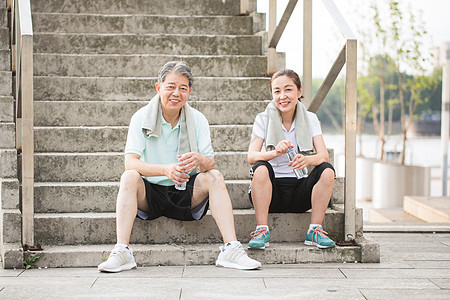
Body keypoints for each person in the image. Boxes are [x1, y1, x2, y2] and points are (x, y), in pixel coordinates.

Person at [98, 61, 261, 272]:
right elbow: (131, 162)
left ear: (189, 92)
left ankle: (231, 249)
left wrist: (199, 160)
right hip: (151, 193)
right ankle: (122, 251)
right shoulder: (140, 117)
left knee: (215, 176)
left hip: (186, 191)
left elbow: (209, 162)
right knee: (129, 176)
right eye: (171, 87)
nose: (176, 93)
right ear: (159, 88)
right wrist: (165, 170)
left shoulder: (198, 119)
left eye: (183, 88)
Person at [247, 69, 336, 250]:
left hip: (299, 191)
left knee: (327, 169)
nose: (282, 96)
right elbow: (251, 156)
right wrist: (274, 153)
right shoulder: (263, 119)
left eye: (288, 90)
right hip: (270, 193)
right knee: (261, 166)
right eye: (277, 91)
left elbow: (323, 155)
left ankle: (315, 231)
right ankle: (261, 230)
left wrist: (307, 160)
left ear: (299, 91)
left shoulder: (310, 119)